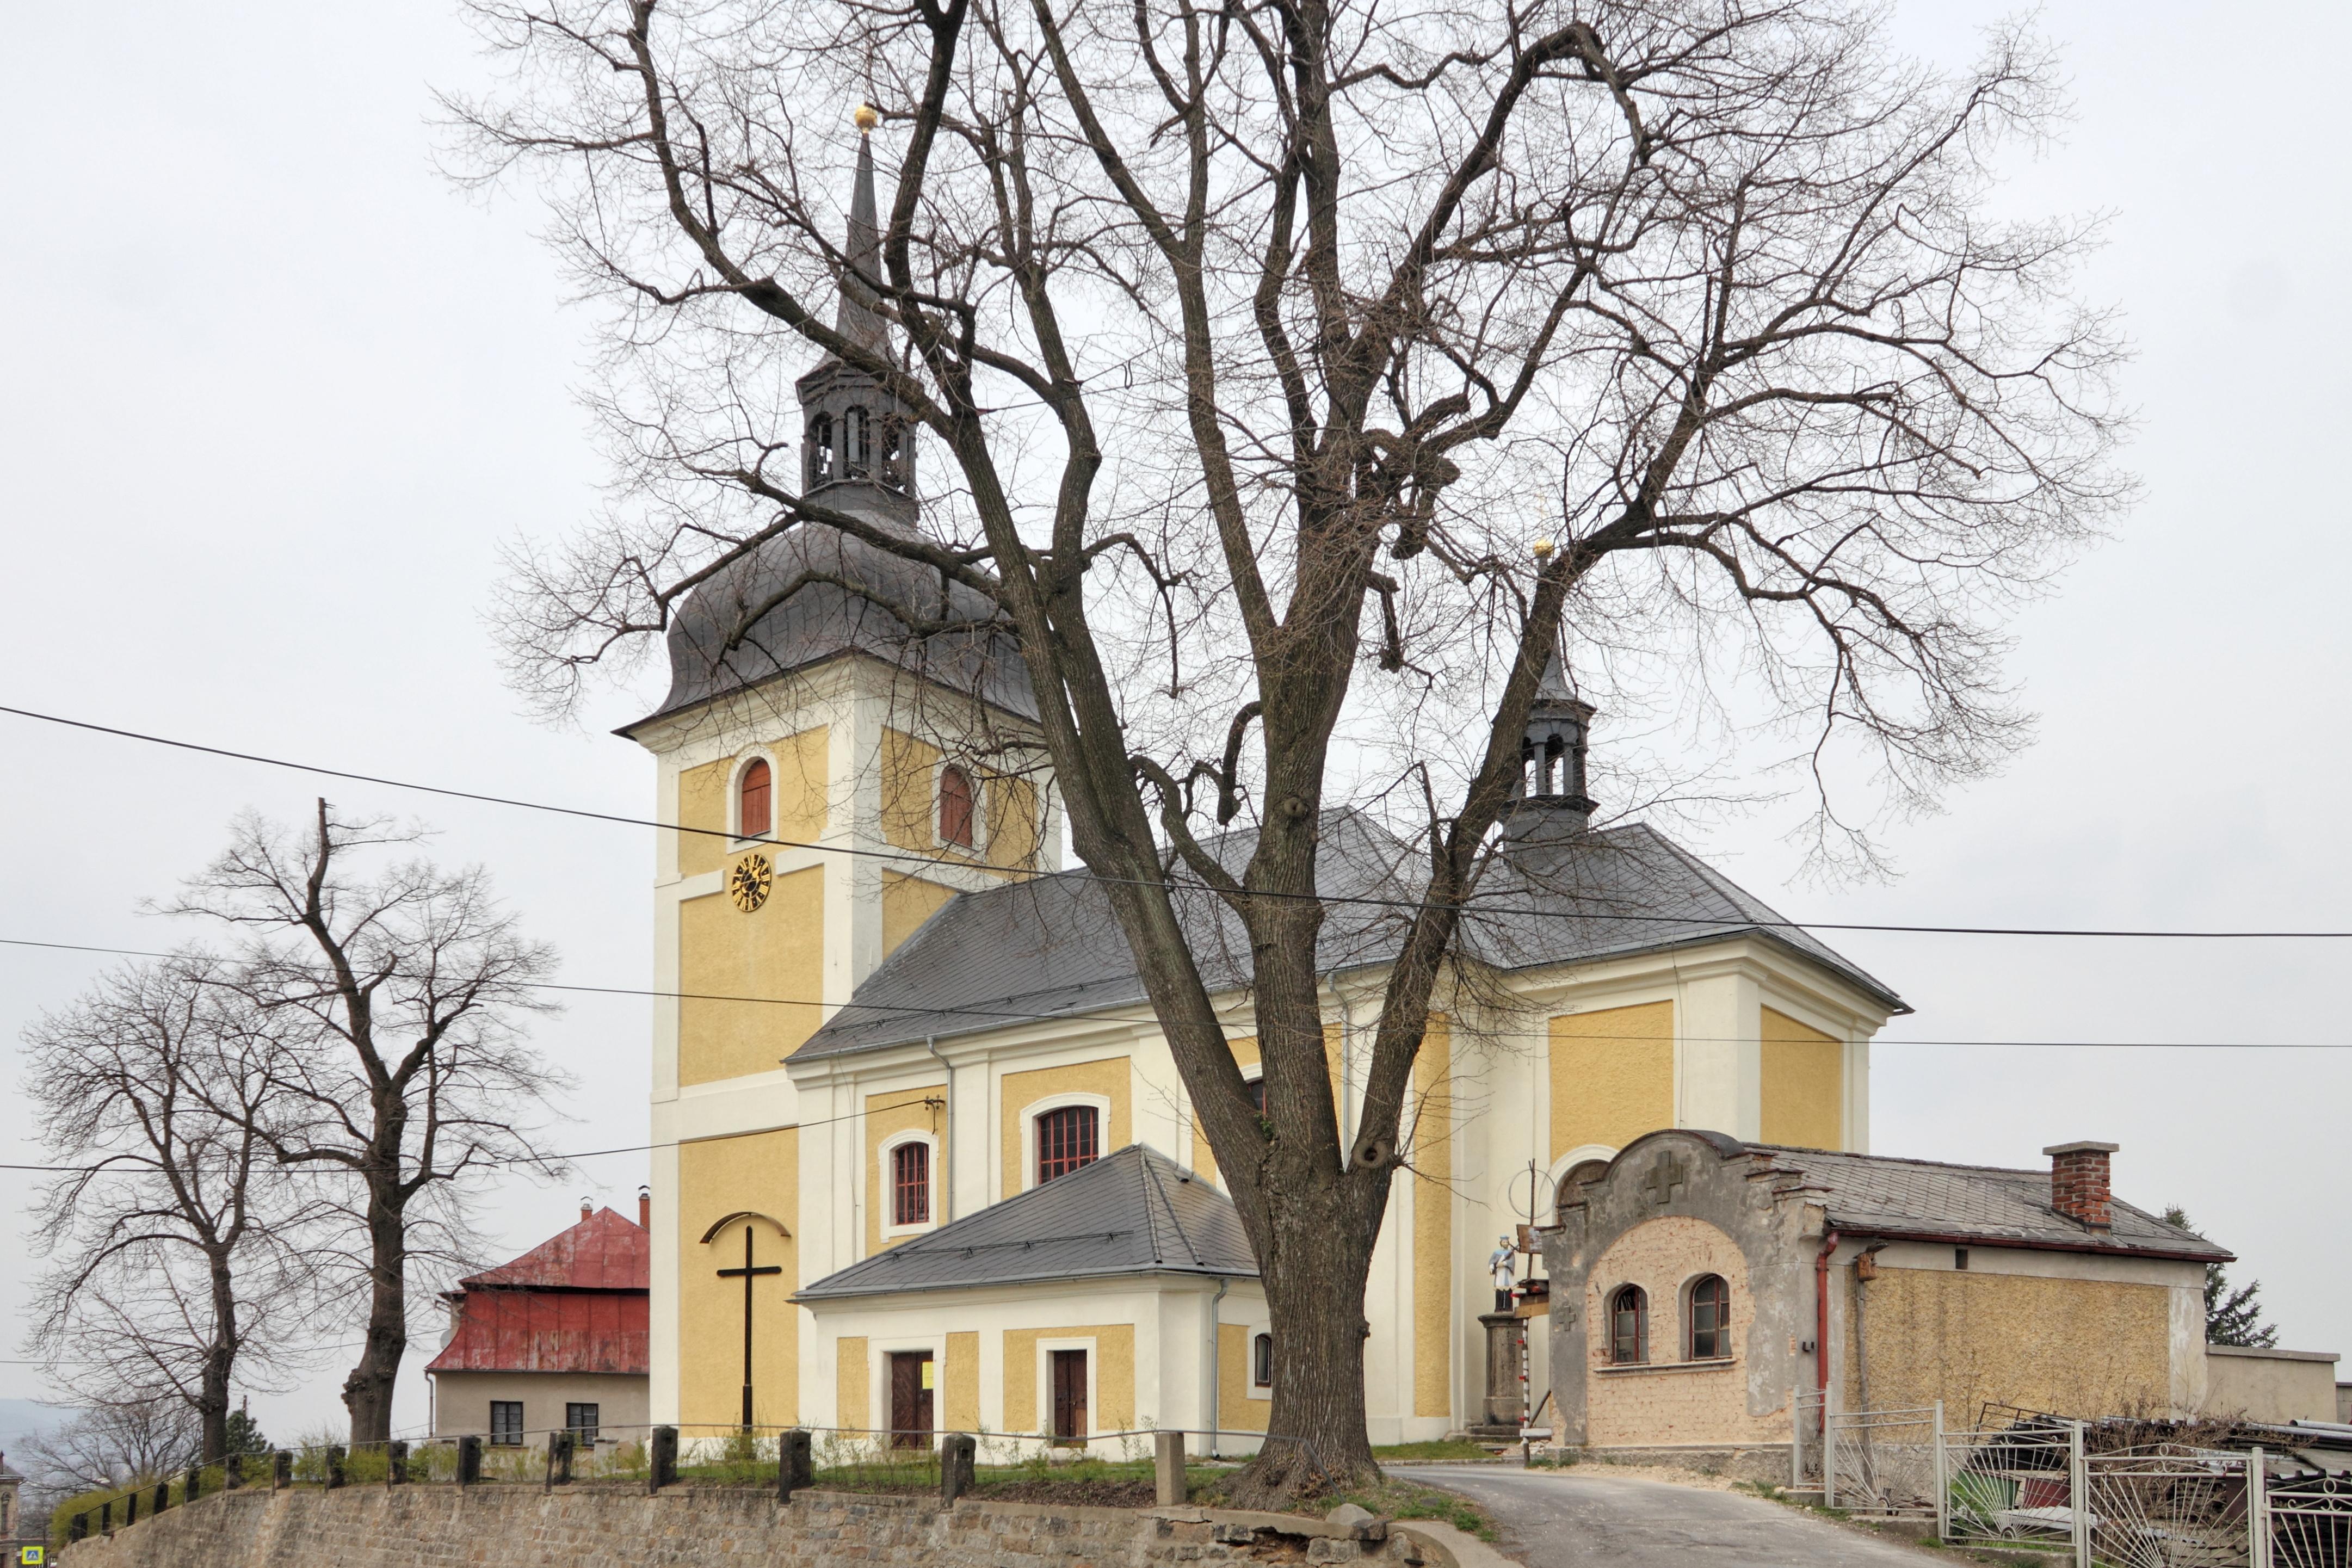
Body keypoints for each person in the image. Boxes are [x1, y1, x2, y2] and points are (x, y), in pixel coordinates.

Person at [1487, 1234, 1517, 1314]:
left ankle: (1508, 1307)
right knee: (1499, 1289)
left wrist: (1504, 1263)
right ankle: (1499, 1307)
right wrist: (1491, 1268)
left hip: (1507, 1274)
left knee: (1508, 1290)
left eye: (1507, 1242)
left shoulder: (1510, 1253)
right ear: (1501, 1243)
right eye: (1504, 1242)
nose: (1506, 1243)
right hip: (1500, 1274)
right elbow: (1492, 1261)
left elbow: (1512, 1262)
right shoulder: (1496, 1253)